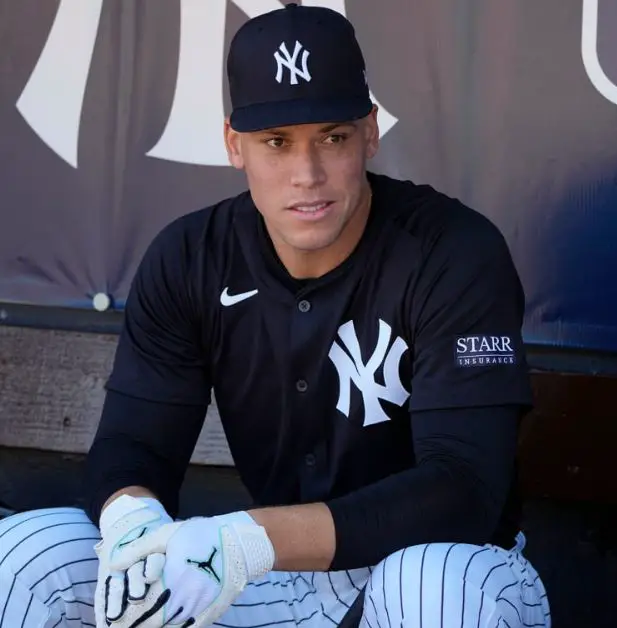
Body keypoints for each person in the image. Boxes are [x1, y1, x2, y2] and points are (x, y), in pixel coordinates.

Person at [0, 4, 550, 628]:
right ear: (235, 144)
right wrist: (137, 528)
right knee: (28, 554)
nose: (307, 176)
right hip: (269, 578)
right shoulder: (190, 256)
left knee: (433, 586)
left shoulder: (452, 251)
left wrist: (244, 540)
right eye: (276, 142)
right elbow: (133, 445)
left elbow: (463, 493)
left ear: (370, 132)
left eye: (333, 138)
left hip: (444, 572)